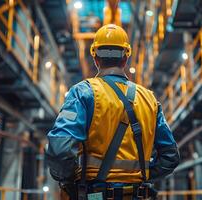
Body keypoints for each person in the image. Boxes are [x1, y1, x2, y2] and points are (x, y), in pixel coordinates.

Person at [46, 24, 180, 200]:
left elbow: (61, 149)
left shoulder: (83, 93)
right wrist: (141, 175)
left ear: (95, 57)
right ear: (126, 58)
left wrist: (71, 180)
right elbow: (170, 157)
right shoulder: (150, 100)